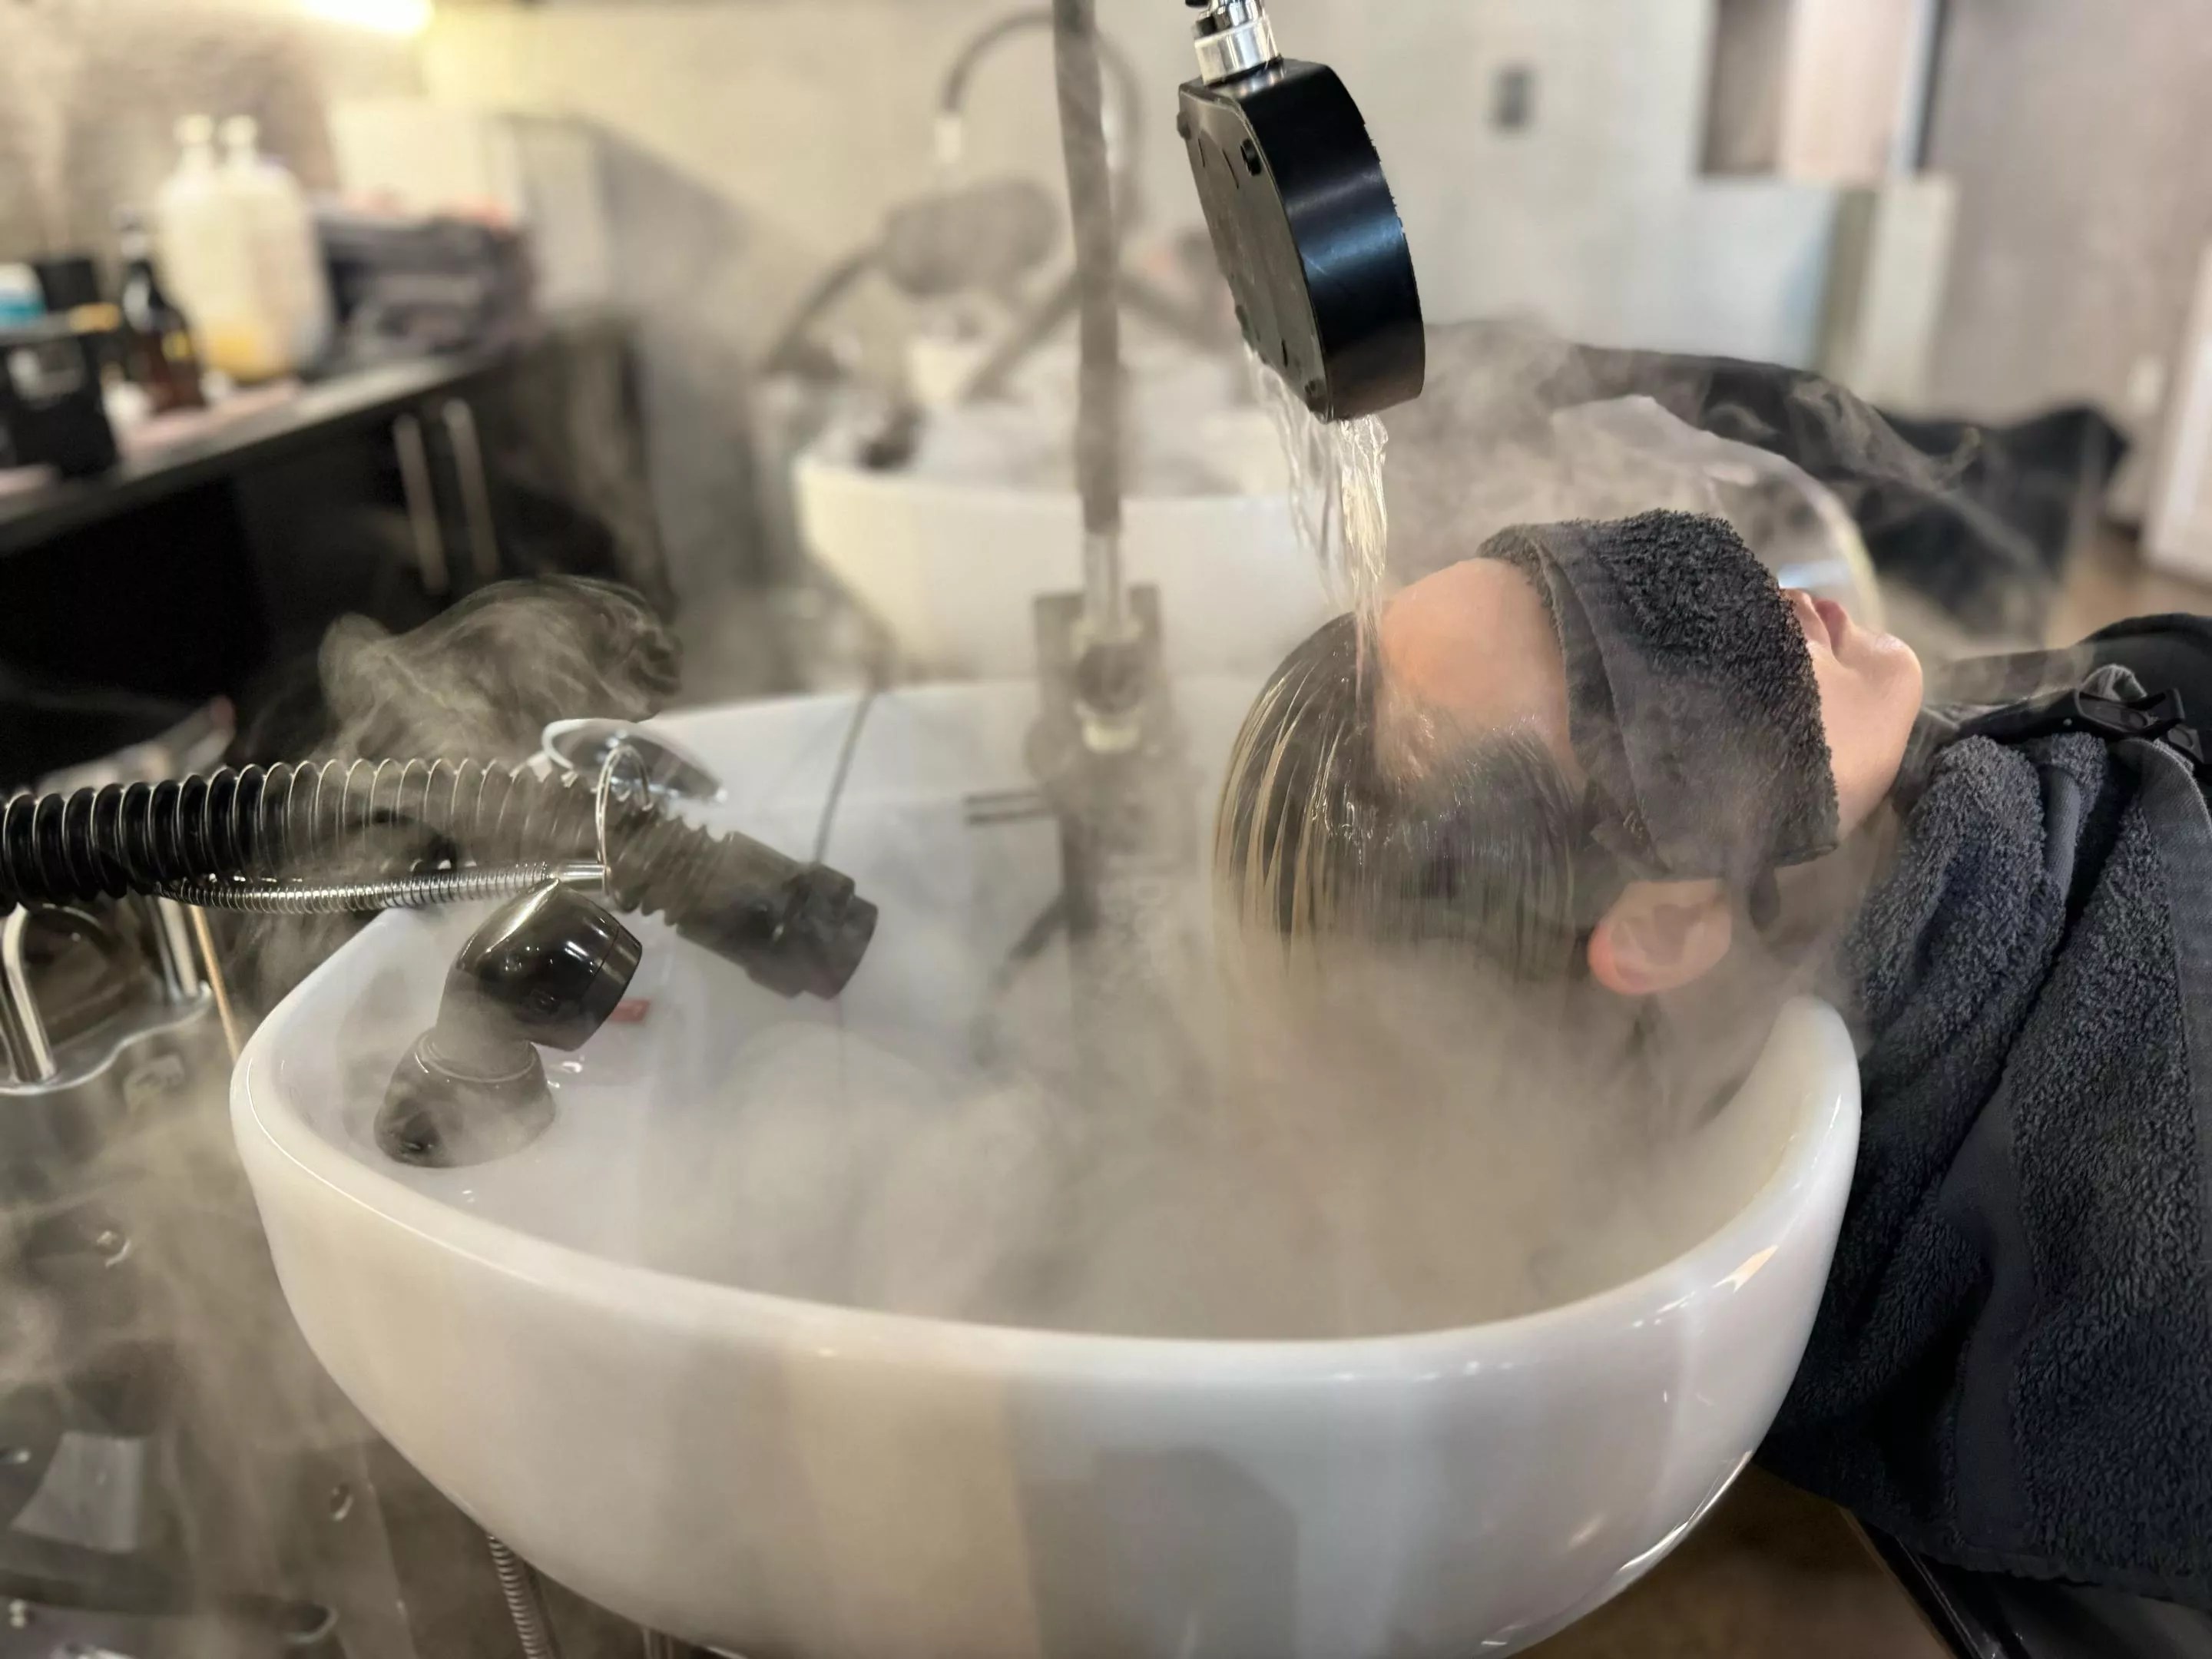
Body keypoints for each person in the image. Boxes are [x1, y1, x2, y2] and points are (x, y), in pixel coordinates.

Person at [1216, 507, 2212, 1610]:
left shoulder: (1851, 814)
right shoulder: (2125, 1186)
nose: (1750, 593)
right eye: (1638, 658)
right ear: (1660, 927)